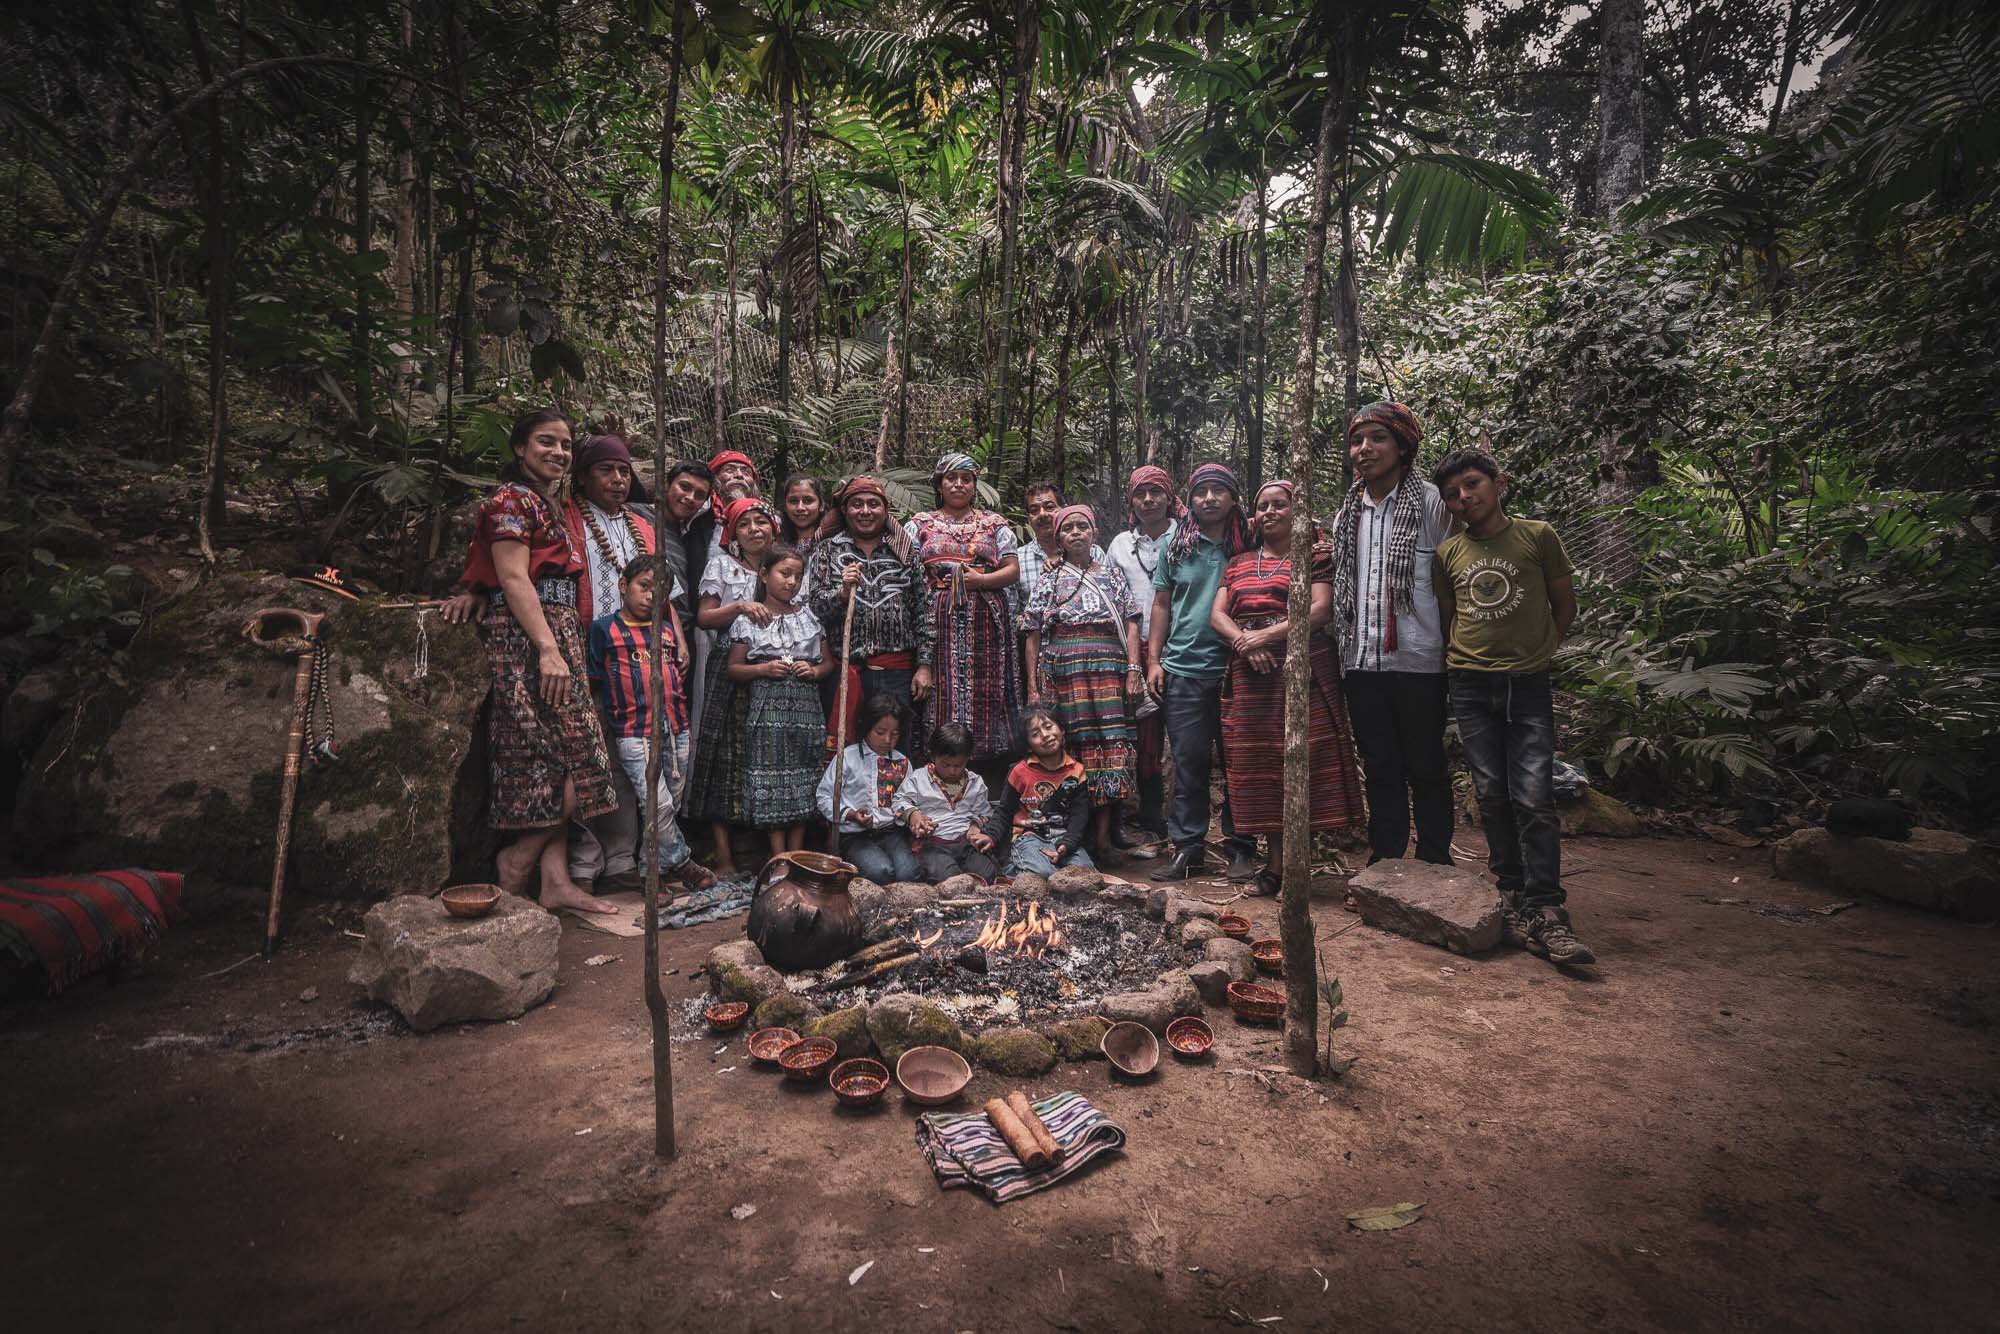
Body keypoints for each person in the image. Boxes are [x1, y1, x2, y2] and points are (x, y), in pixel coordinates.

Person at [444, 408, 620, 915]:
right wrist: (546, 648)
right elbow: (515, 578)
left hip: (556, 628)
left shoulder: (545, 502)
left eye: (565, 445)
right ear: (519, 448)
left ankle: (555, 881)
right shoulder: (509, 500)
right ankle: (516, 862)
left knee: (564, 758)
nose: (559, 453)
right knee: (567, 760)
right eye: (547, 442)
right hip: (531, 638)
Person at [1432, 449, 1592, 965]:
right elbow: (1450, 617)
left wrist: (1540, 653)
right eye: (1453, 494)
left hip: (1526, 684)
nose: (1464, 498)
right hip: (1470, 684)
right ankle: (1512, 892)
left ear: (1500, 482)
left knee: (1533, 795)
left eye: (1473, 485)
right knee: (1492, 793)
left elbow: (1563, 604)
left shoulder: (1537, 536)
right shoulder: (1449, 552)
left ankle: (1548, 907)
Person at [1210, 480, 1366, 894]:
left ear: (1297, 512)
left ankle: (1298, 868)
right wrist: (1245, 644)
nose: (1269, 512)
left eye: (1279, 504)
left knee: (1306, 762)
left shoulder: (1315, 556)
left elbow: (1319, 610)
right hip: (1251, 678)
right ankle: (1274, 868)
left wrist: (1265, 638)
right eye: (1262, 506)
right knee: (1263, 769)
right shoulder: (1239, 562)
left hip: (1303, 671)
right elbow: (1218, 615)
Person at [1331, 402, 1456, 867]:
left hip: (1420, 661)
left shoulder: (1432, 504)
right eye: (1357, 441)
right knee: (1380, 767)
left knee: (1426, 766)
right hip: (1362, 662)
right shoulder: (1348, 515)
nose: (1365, 450)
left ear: (1403, 445)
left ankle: (1434, 859)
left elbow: (1453, 579)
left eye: (1378, 438)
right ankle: (1386, 859)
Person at [560, 432, 679, 892]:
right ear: (584, 474)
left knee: (636, 762)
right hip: (590, 654)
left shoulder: (642, 525)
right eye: (606, 470)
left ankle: (623, 860)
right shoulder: (568, 516)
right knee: (592, 761)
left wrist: (678, 639)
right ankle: (584, 865)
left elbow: (662, 587)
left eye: (624, 471)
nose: (616, 479)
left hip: (641, 660)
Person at [1145, 462, 1259, 882]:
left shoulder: (1250, 538)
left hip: (1241, 669)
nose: (1209, 498)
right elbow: (1161, 603)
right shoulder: (1177, 541)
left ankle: (1241, 846)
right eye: (1200, 491)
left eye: (1218, 491)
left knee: (1240, 763)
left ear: (1232, 497)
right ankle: (1188, 848)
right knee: (1189, 763)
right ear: (1190, 498)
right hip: (1185, 668)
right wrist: (1154, 661)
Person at [1020, 503, 1143, 867]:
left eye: (1082, 526)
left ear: (1094, 533)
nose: (1075, 533)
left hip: (1108, 667)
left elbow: (1132, 622)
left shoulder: (1112, 575)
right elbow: (1032, 633)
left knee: (1111, 750)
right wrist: (1033, 686)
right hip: (1064, 672)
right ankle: (1076, 841)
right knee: (1072, 748)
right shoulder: (1049, 579)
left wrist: (1134, 668)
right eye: (1068, 528)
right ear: (1058, 537)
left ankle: (1104, 842)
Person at [586, 556, 716, 893]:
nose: (650, 597)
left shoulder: (668, 630)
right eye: (644, 587)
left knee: (667, 805)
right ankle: (683, 861)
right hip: (632, 729)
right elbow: (596, 681)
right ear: (623, 586)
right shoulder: (604, 630)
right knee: (655, 804)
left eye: (660, 592)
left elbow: (677, 674)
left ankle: (651, 873)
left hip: (676, 728)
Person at [906, 452, 1021, 765]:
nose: (958, 484)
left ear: (975, 485)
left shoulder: (993, 524)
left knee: (987, 692)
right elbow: (905, 568)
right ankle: (939, 765)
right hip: (935, 623)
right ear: (939, 484)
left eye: (966, 479)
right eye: (951, 478)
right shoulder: (919, 525)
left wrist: (979, 581)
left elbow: (1012, 570)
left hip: (986, 624)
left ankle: (985, 768)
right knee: (937, 695)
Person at [688, 496, 780, 878]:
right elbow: (705, 616)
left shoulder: (784, 568)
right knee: (722, 755)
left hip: (771, 666)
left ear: (774, 530)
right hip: (729, 663)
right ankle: (723, 856)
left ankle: (764, 853)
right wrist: (740, 606)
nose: (754, 529)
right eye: (745, 524)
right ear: (733, 534)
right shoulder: (722, 566)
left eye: (761, 522)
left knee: (762, 756)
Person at [726, 544, 834, 862]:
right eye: (784, 574)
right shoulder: (749, 619)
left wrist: (813, 671)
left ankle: (798, 853)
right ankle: (778, 857)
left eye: (797, 577)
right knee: (771, 777)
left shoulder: (810, 617)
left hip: (805, 710)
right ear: (764, 574)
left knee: (802, 777)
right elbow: (733, 668)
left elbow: (829, 664)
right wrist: (763, 669)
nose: (791, 582)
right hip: (766, 709)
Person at [807, 475, 933, 742]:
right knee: (844, 747)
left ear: (886, 511)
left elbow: (924, 611)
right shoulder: (827, 550)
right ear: (844, 510)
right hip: (844, 670)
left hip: (897, 672)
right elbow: (814, 607)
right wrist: (841, 594)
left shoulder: (905, 553)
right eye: (857, 504)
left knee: (895, 747)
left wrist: (924, 665)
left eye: (873, 504)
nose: (865, 511)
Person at [1104, 464, 1184, 840]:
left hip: (1182, 647)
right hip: (1133, 652)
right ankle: (1149, 818)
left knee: (1182, 736)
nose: (1149, 500)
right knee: (1144, 737)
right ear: (1131, 501)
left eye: (1156, 492)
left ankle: (1181, 822)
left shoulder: (1187, 535)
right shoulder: (1121, 544)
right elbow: (1108, 594)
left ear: (1170, 497)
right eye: (1141, 494)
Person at [817, 693, 922, 885]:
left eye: (895, 733)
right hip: (854, 836)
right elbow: (824, 796)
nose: (888, 740)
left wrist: (912, 815)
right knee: (881, 872)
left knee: (909, 872)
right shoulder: (846, 758)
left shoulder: (902, 762)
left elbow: (909, 799)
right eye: (880, 732)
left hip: (890, 833)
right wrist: (851, 815)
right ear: (866, 728)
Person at [986, 705, 1093, 876]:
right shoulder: (1020, 772)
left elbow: (1079, 815)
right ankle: (1012, 867)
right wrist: (990, 836)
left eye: (1049, 727)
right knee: (1044, 873)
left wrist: (1067, 844)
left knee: (1085, 874)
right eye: (1035, 734)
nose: (1045, 735)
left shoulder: (1076, 770)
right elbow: (1004, 811)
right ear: (1028, 746)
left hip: (1063, 836)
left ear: (1062, 729)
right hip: (1028, 837)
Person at [894, 722, 999, 883]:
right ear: (933, 756)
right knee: (948, 877)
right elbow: (899, 801)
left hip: (966, 843)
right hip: (933, 843)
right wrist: (914, 815)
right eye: (945, 764)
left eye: (958, 765)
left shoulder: (975, 782)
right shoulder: (919, 779)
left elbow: (985, 812)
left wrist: (975, 826)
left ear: (968, 758)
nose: (952, 770)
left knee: (987, 873)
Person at [1015, 480, 1105, 613]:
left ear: (1064, 510)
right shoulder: (1018, 559)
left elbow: (1106, 596)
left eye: (1049, 507)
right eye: (1034, 510)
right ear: (1028, 519)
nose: (1042, 514)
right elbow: (1013, 613)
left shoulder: (1093, 552)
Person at [778, 473, 830, 557]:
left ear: (821, 505)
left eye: (808, 500)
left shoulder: (833, 541)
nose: (800, 508)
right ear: (785, 507)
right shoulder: (777, 544)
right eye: (793, 501)